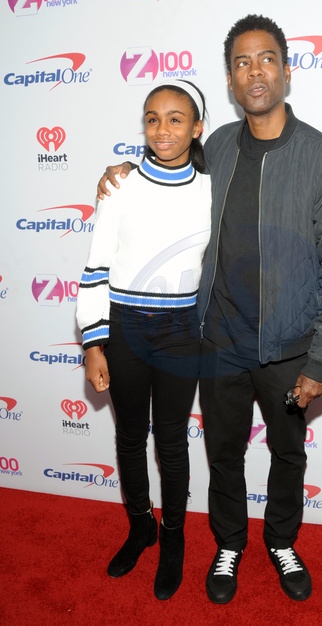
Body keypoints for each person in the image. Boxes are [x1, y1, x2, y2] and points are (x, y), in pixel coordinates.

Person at [98, 14, 322, 605]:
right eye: (242, 62)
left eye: (266, 59)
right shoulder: (215, 146)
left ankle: (282, 540)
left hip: (289, 348)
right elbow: (164, 178)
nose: (254, 72)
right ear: (230, 79)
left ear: (287, 70)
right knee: (222, 453)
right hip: (217, 341)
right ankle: (229, 543)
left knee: (288, 452)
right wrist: (122, 175)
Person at [77, 80, 211, 600]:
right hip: (124, 328)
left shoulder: (211, 189)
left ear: (196, 128)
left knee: (171, 442)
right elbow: (96, 267)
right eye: (152, 118)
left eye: (176, 119)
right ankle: (141, 527)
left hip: (181, 333)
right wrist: (93, 344)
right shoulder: (120, 186)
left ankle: (173, 538)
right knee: (130, 436)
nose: (162, 129)